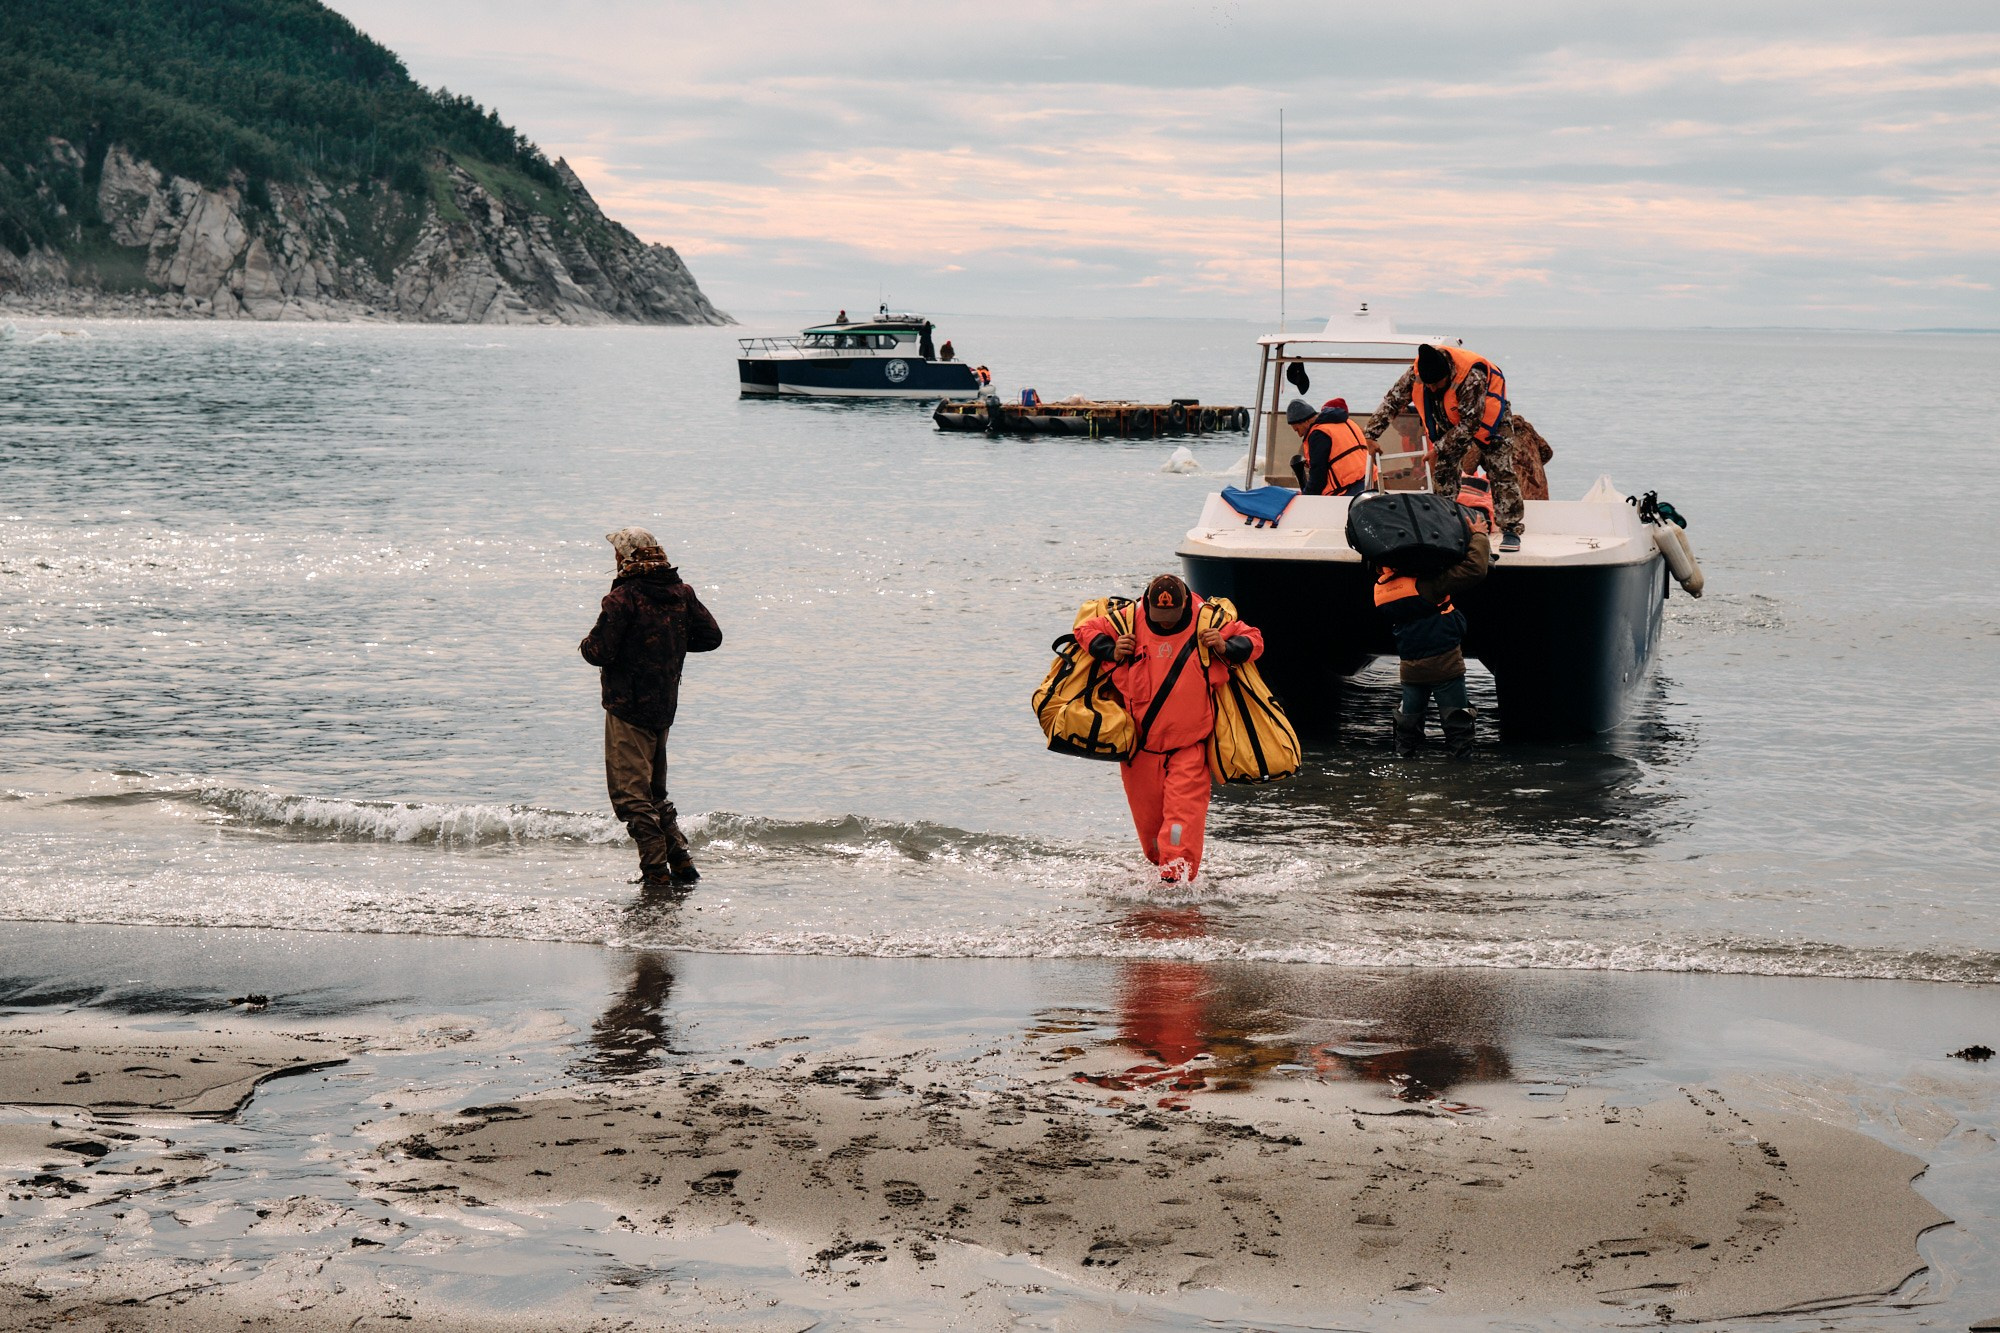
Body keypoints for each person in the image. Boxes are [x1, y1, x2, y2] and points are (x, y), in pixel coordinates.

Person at [1076, 574, 1264, 883]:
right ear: (1147, 604)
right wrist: (1110, 649)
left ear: (1186, 603)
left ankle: (1176, 892)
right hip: (1140, 751)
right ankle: (1163, 885)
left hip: (1189, 749)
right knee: (1152, 839)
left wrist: (1225, 645)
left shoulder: (1208, 620)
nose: (1164, 621)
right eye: (1158, 615)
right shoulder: (1128, 619)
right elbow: (1084, 629)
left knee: (1180, 830)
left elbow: (1254, 639)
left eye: (1172, 615)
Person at [580, 528, 722, 888]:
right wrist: (666, 644)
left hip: (627, 707)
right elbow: (711, 637)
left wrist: (587, 643)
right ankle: (682, 864)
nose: (615, 558)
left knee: (630, 797)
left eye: (617, 553)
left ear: (627, 556)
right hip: (663, 707)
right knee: (655, 794)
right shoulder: (681, 592)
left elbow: (597, 652)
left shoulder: (624, 597)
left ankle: (656, 872)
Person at [1372, 476, 1493, 758]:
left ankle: (1404, 762)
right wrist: (1478, 535)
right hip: (1444, 664)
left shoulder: (1382, 590)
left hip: (1410, 667)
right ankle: (1460, 769)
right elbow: (1475, 569)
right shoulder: (1429, 586)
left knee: (1408, 724)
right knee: (1457, 723)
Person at [1363, 343, 1525, 551]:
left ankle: (1510, 529)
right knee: (1443, 470)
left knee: (1501, 469)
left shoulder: (1472, 378)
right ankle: (1444, 522)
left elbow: (1470, 425)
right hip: (1451, 419)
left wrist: (1438, 448)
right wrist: (1371, 434)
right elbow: (1392, 402)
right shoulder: (1415, 375)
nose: (1431, 389)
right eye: (1428, 385)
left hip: (1489, 421)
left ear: (1447, 374)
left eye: (1436, 384)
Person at [1285, 396, 1374, 497]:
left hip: (1346, 491)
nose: (1299, 435)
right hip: (1369, 484)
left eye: (1297, 430)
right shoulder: (1348, 422)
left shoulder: (1318, 434)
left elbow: (1318, 477)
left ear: (1305, 421)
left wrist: (1306, 496)